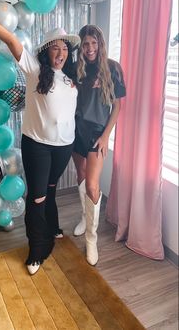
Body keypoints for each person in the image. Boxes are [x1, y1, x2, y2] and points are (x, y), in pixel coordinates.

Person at [0, 0, 80, 275]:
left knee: (49, 189)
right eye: (55, 49)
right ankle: (38, 250)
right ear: (46, 52)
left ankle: (53, 226)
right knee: (37, 196)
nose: (60, 53)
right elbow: (12, 40)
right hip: (38, 146)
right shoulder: (36, 70)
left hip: (64, 147)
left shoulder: (72, 78)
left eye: (64, 49)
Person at [72, 24, 126, 266]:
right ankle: (85, 216)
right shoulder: (76, 69)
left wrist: (105, 137)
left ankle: (91, 239)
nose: (90, 48)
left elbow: (117, 107)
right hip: (76, 132)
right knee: (81, 176)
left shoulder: (113, 68)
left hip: (97, 134)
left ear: (100, 44)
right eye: (85, 44)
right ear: (81, 47)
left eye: (94, 43)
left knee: (93, 186)